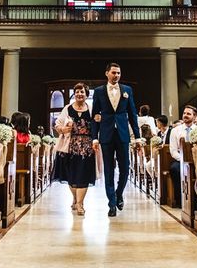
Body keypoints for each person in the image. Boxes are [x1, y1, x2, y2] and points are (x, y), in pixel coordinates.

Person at [91, 62, 140, 217]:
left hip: (123, 134)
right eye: (114, 72)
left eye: (119, 73)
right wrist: (94, 137)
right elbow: (95, 116)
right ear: (107, 73)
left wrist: (137, 137)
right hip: (106, 134)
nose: (116, 75)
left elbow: (132, 114)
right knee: (108, 170)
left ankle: (119, 194)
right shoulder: (99, 91)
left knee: (125, 168)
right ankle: (111, 203)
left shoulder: (127, 90)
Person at [53, 83, 96, 216]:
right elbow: (57, 125)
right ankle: (75, 198)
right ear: (74, 94)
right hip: (69, 147)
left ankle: (80, 204)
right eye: (77, 92)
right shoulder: (67, 108)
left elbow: (98, 125)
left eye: (82, 92)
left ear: (86, 94)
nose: (79, 94)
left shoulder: (91, 109)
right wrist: (63, 129)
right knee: (71, 176)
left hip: (87, 148)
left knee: (83, 175)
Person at [169, 105, 197, 207]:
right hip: (179, 159)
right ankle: (181, 199)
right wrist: (183, 159)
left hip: (196, 159)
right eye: (184, 113)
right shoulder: (175, 130)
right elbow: (173, 151)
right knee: (175, 169)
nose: (185, 115)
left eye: (188, 114)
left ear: (194, 116)